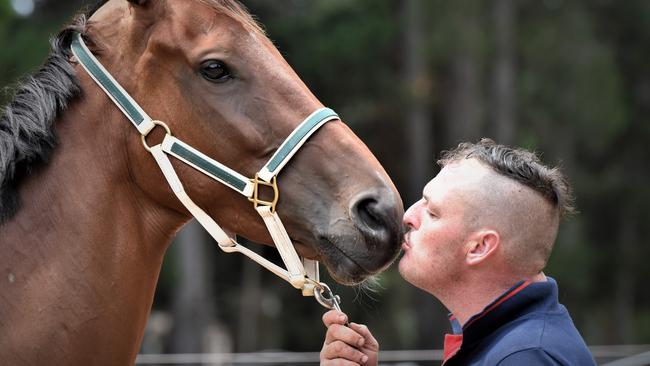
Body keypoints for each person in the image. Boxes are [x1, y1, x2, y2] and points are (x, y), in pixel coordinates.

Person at [320, 139, 596, 365]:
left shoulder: (525, 358)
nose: (409, 216)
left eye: (432, 212)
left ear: (479, 247)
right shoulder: (510, 344)